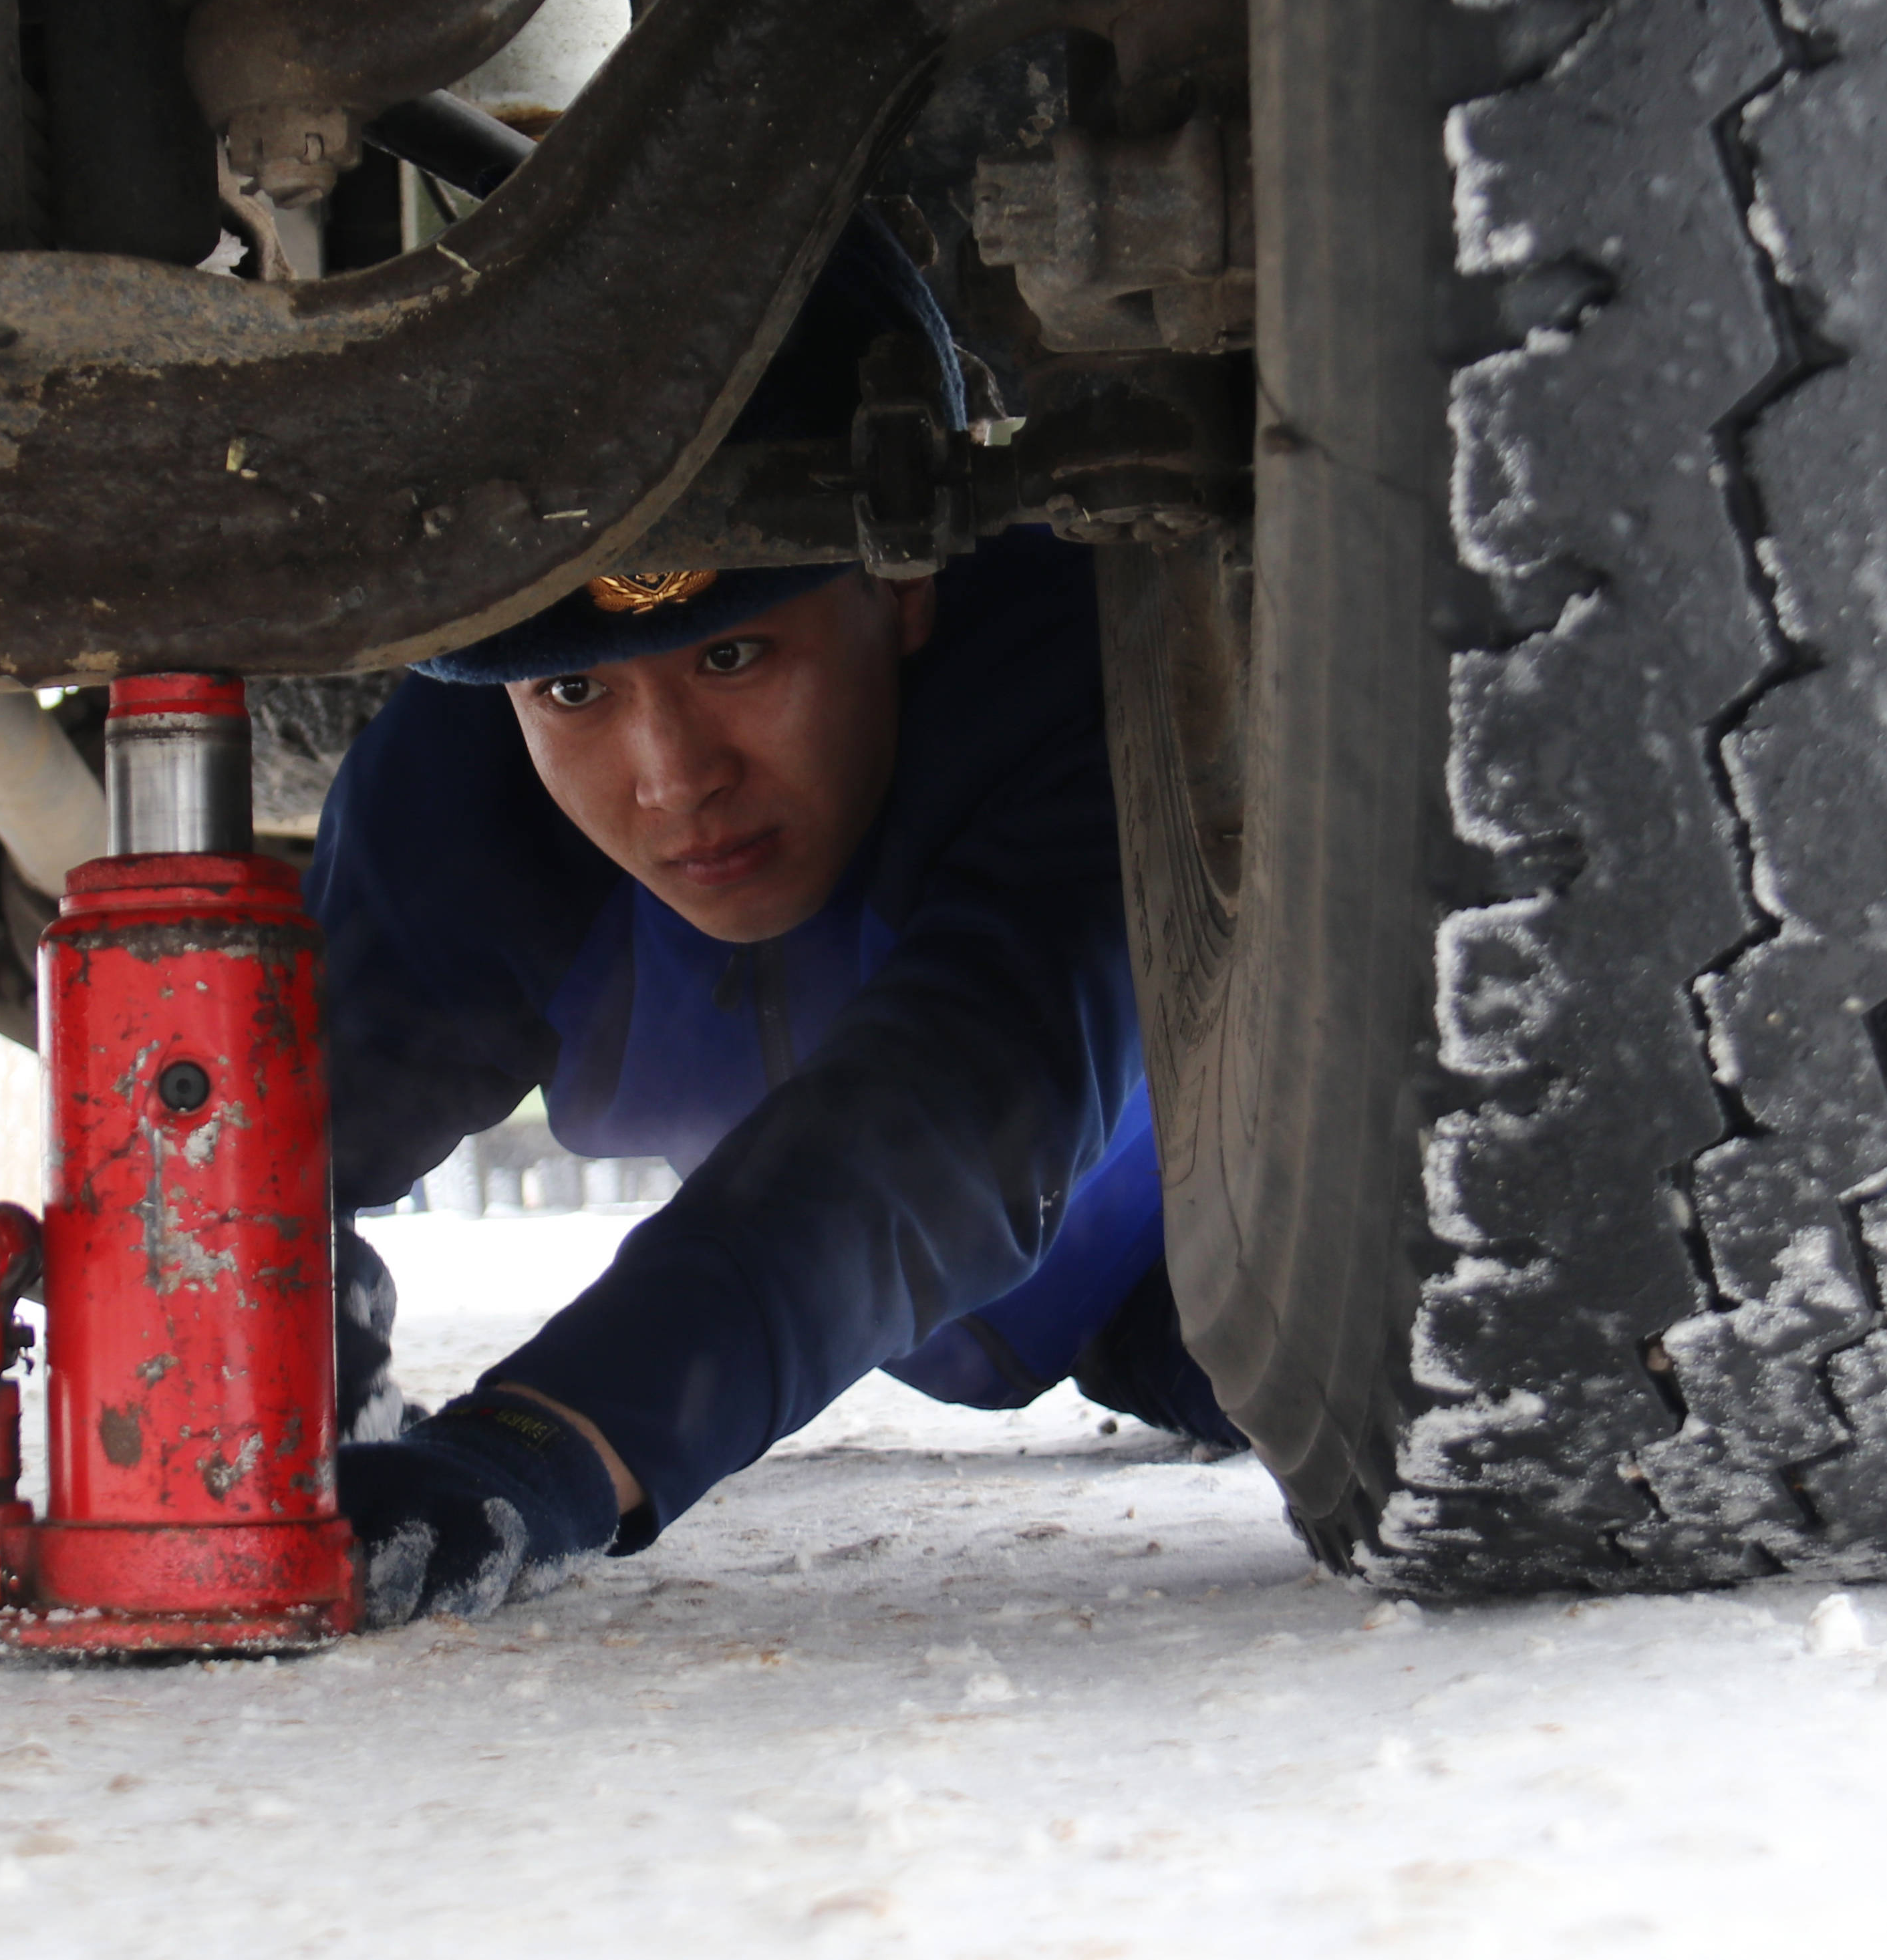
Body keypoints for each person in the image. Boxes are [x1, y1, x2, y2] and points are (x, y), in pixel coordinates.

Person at [311, 223, 1238, 1630]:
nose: (675, 779)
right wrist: (267, 1318)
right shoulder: (465, 780)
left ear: (904, 585)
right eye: (575, 697)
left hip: (1178, 1263)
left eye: (734, 655)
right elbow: (277, 1136)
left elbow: (951, 1118)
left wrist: (542, 1449)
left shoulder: (1066, 674)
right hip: (901, 1291)